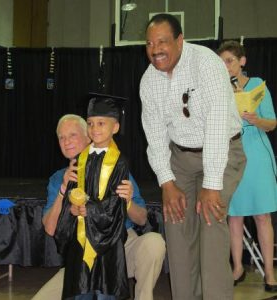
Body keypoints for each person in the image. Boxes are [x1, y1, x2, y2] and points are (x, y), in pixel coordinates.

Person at [139, 14, 246, 300]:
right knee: (177, 229)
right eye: (149, 43)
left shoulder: (207, 64)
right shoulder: (149, 81)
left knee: (211, 226)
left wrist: (212, 185)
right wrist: (167, 182)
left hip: (223, 151)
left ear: (180, 40)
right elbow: (156, 136)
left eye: (162, 41)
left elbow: (217, 125)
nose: (155, 49)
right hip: (181, 160)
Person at [32, 112, 165, 300]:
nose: (66, 141)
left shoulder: (115, 166)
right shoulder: (58, 178)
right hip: (81, 258)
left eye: (72, 135)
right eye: (61, 137)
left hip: (120, 246)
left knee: (154, 243)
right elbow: (51, 229)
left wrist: (127, 203)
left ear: (88, 136)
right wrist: (63, 190)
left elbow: (142, 218)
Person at [217, 40, 277, 291]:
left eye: (229, 60)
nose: (226, 66)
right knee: (234, 215)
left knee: (262, 215)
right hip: (231, 152)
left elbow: (272, 123)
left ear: (242, 61)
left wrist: (256, 119)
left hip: (257, 152)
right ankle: (238, 267)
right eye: (221, 62)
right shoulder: (219, 89)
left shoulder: (257, 85)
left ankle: (270, 273)